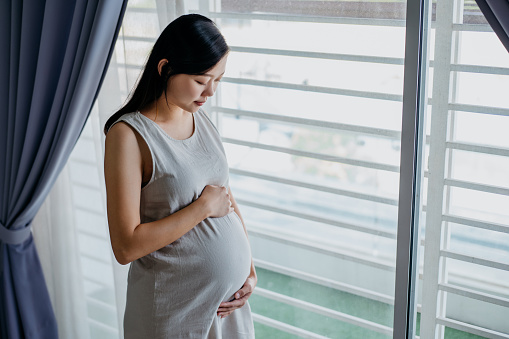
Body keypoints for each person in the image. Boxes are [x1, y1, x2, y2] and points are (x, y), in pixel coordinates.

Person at [103, 14, 256, 338]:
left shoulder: (201, 120)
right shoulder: (129, 136)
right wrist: (201, 208)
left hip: (226, 311)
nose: (210, 91)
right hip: (173, 313)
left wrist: (249, 270)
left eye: (218, 79)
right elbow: (125, 246)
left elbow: (224, 198)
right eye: (202, 80)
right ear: (165, 69)